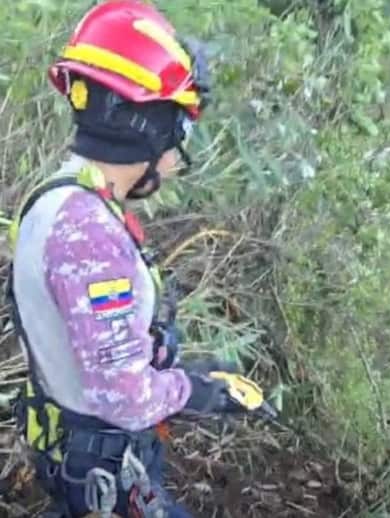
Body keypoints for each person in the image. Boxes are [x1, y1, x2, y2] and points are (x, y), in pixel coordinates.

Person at [6, 1, 238, 516]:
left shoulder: (57, 198)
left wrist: (180, 373)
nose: (181, 148)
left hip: (73, 454)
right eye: (182, 124)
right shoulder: (89, 234)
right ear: (149, 125)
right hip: (105, 473)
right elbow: (125, 399)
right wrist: (195, 391)